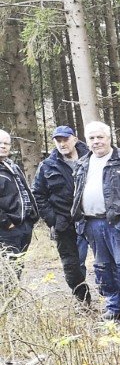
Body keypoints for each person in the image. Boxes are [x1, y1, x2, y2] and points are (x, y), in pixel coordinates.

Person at [72, 122, 120, 322]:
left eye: (100, 137)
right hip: (92, 224)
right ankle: (113, 307)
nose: (96, 142)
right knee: (103, 268)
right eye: (91, 138)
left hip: (119, 224)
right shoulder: (83, 163)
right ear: (86, 141)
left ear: (109, 138)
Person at [31, 126, 91, 302]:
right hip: (64, 222)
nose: (62, 144)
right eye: (58, 141)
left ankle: (114, 300)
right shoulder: (48, 165)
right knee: (72, 265)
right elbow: (38, 194)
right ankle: (83, 300)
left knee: (105, 260)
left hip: (93, 217)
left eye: (65, 139)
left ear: (75, 139)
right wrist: (53, 219)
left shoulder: (91, 158)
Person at [0, 130, 38, 265]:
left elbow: (25, 191)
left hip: (24, 225)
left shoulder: (12, 166)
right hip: (6, 230)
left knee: (18, 266)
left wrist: (32, 217)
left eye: (6, 143)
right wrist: (6, 223)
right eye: (0, 143)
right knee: (6, 270)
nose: (3, 146)